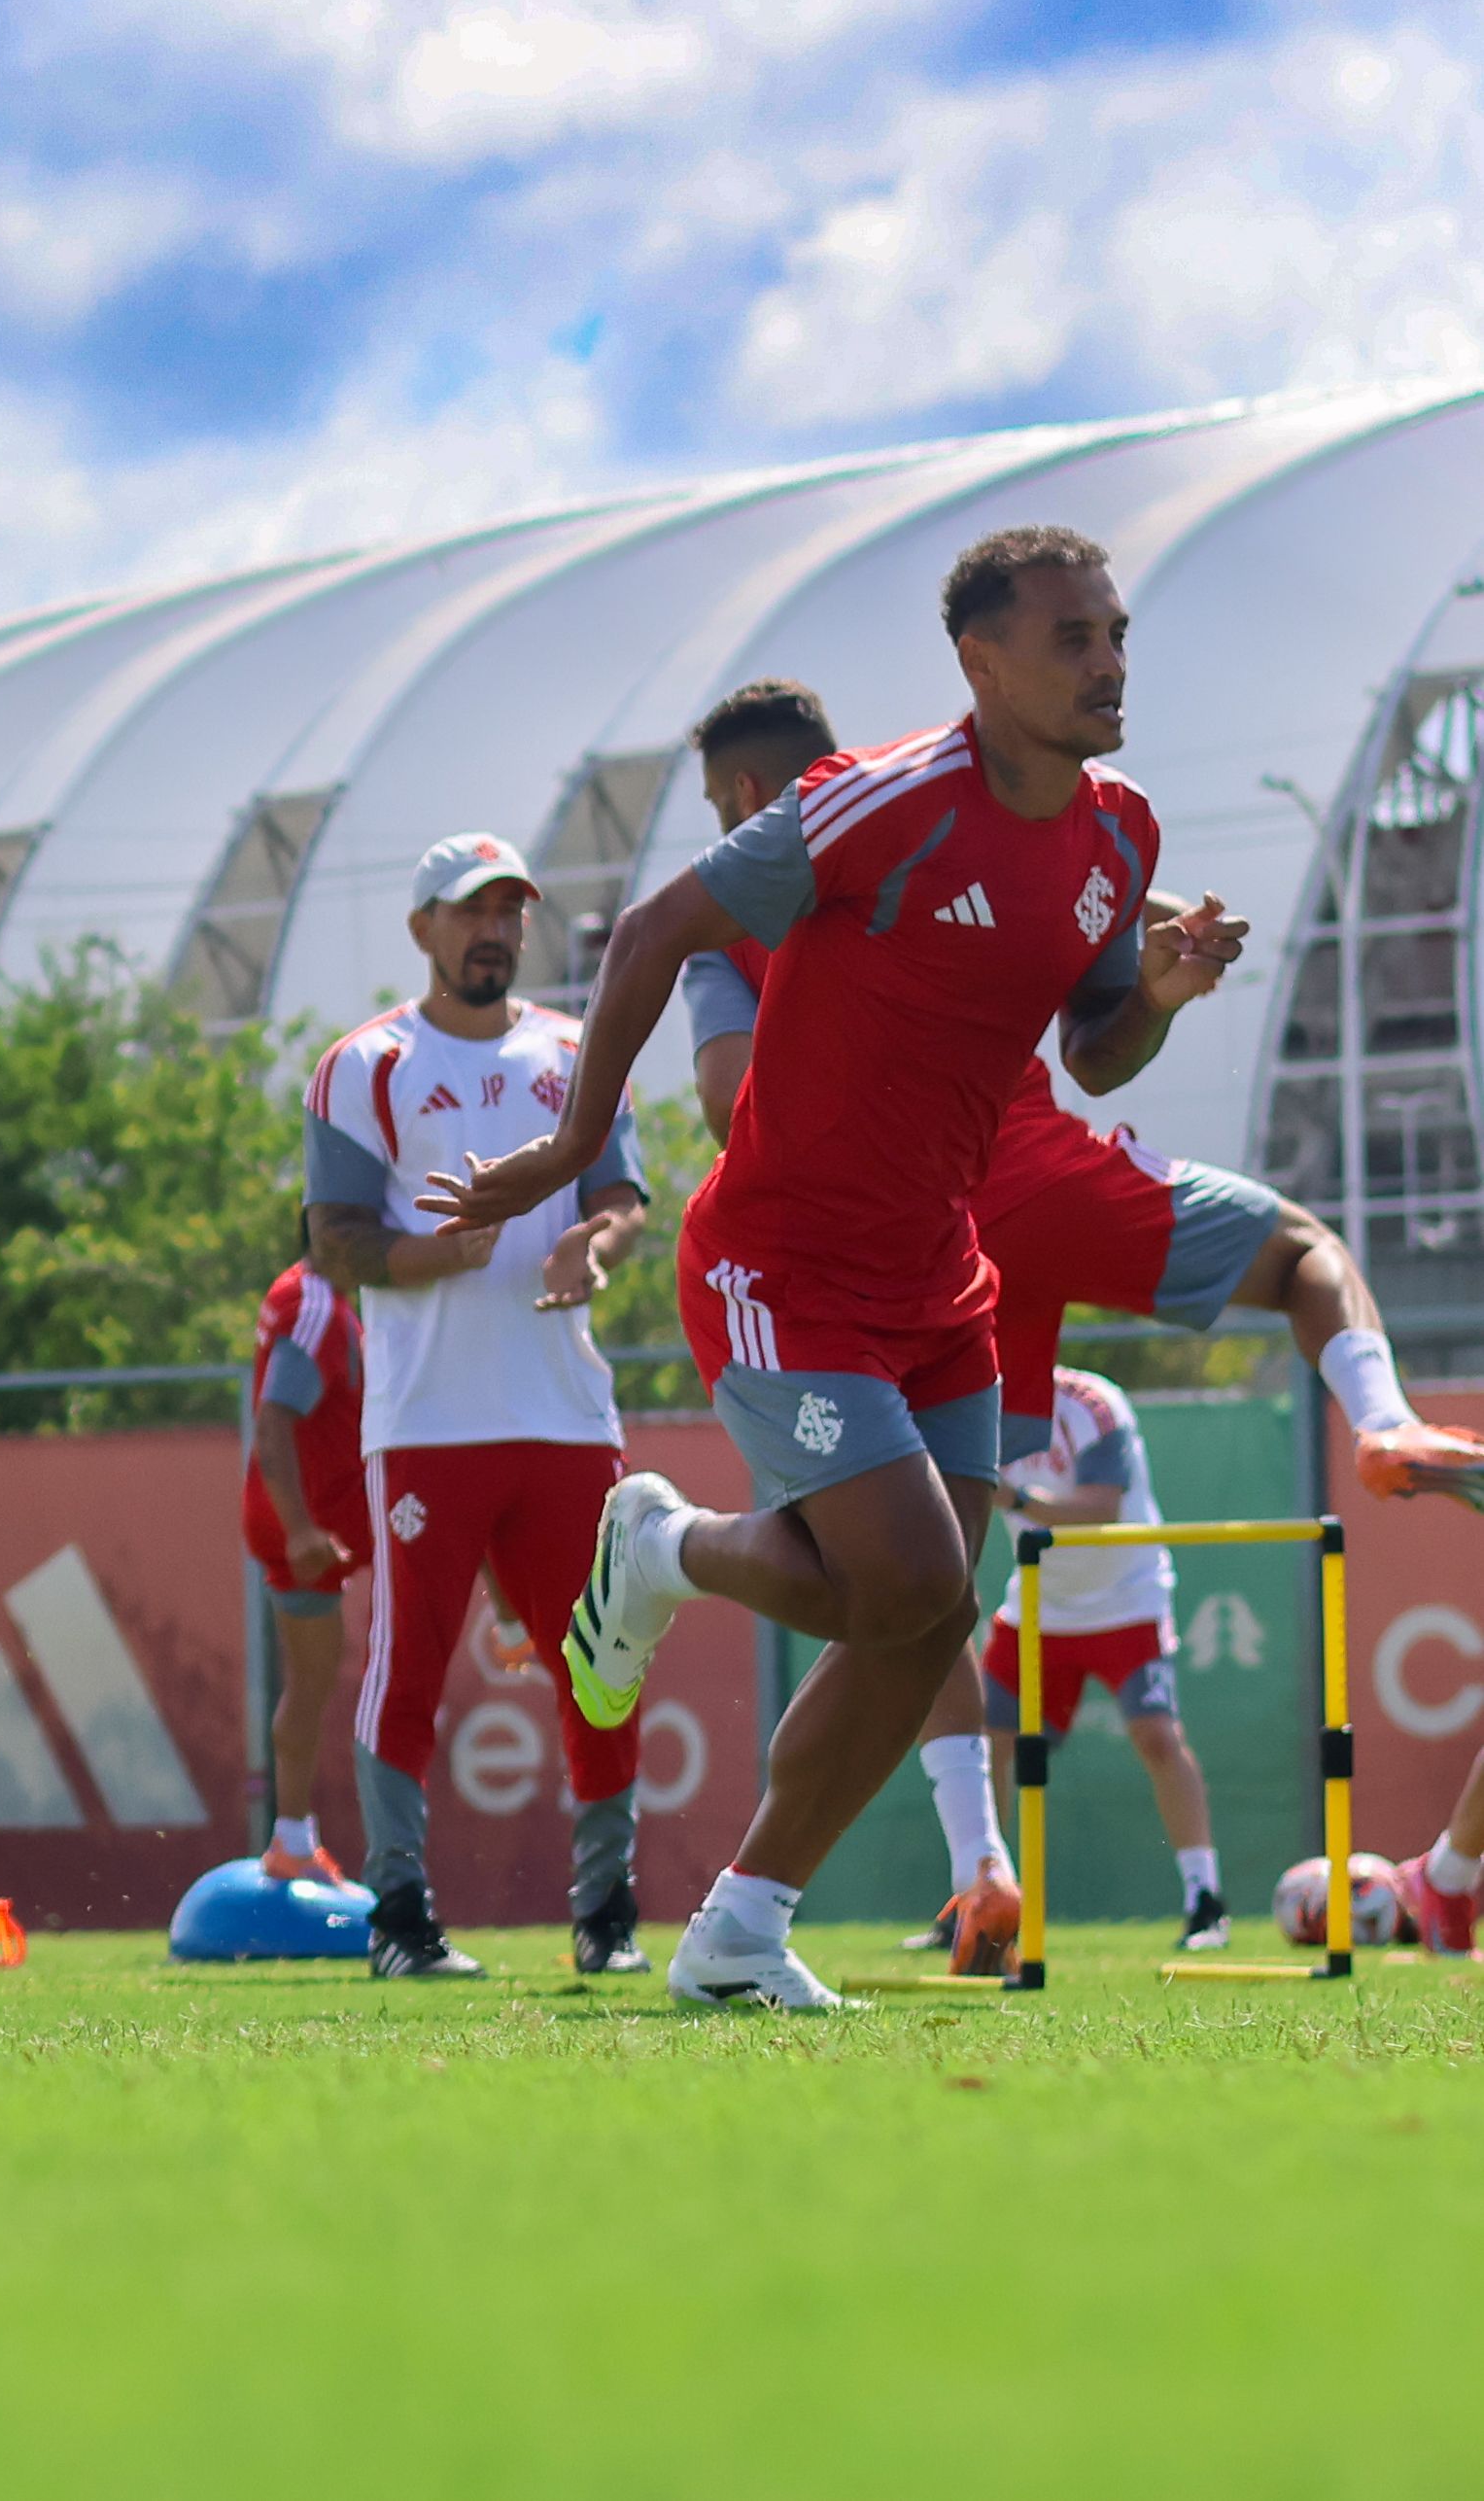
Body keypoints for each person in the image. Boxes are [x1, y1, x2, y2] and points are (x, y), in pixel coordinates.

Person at [469, 527, 1242, 2010]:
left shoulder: (1122, 830)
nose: (1109, 663)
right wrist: (576, 1145)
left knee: (929, 1611)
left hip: (941, 1274)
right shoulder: (878, 802)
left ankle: (740, 1929)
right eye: (1074, 637)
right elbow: (651, 929)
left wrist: (1151, 991)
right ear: (983, 661)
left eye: (1117, 634)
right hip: (780, 1263)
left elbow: (1090, 1049)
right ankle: (665, 1546)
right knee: (913, 1576)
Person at [670, 674, 1484, 1969]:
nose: (722, 825)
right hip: (978, 1201)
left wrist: (1143, 967)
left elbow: (736, 1090)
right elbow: (1072, 950)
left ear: (764, 795)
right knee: (1299, 1251)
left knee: (924, 1586)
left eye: (726, 802)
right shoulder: (932, 837)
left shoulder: (847, 867)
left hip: (918, 1240)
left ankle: (975, 1863)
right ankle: (1382, 1426)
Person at [300, 832, 654, 1981]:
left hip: (565, 1415)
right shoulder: (364, 1063)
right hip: (427, 1422)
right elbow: (336, 1242)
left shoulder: (574, 1048)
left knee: (599, 1658)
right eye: (470, 910)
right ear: (423, 929)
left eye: (509, 910)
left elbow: (623, 1202)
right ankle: (400, 1917)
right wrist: (437, 1255)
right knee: (405, 1672)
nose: (492, 929)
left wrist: (593, 1251)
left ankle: (606, 1916)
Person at [964, 1366, 1236, 1943]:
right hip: (1039, 1602)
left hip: (1128, 1598)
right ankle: (978, 1899)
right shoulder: (973, 1403)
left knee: (1157, 1736)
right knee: (987, 1747)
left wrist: (1012, 1497)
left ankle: (1205, 1899)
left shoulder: (1091, 1401)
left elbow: (1101, 1506)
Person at [240, 1249, 370, 1886]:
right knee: (458, 1500)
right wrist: (299, 1528)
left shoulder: (316, 1293)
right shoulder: (314, 1303)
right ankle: (514, 1628)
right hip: (318, 1521)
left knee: (312, 1678)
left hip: (307, 1514)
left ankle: (291, 1837)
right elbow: (271, 1420)